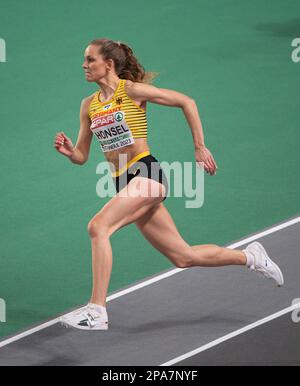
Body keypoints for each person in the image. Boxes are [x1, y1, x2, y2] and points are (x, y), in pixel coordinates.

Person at [54, 38, 284, 330]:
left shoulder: (133, 91)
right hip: (122, 182)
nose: (84, 66)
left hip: (146, 174)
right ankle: (252, 257)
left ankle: (97, 310)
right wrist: (69, 152)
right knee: (183, 256)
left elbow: (186, 101)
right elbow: (82, 156)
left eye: (90, 60)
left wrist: (199, 147)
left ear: (108, 64)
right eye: (85, 60)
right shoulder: (88, 106)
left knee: (98, 227)